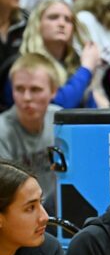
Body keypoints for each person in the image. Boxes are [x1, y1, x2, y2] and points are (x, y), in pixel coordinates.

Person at [0, 53, 60, 208]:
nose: (26, 97)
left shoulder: (60, 121)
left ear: (53, 91)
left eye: (35, 89)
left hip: (56, 208)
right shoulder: (2, 130)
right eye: (19, 89)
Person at [17, 0, 100, 108]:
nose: (62, 24)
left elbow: (92, 111)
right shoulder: (26, 64)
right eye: (53, 17)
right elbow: (58, 107)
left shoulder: (75, 65)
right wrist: (87, 68)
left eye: (68, 20)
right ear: (38, 24)